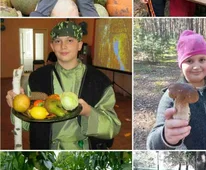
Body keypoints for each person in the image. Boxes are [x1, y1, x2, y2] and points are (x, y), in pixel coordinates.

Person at [6, 21, 121, 150]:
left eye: (70, 40)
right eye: (58, 41)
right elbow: (26, 124)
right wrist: (17, 103)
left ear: (79, 45)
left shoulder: (99, 81)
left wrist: (88, 112)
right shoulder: (37, 78)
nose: (63, 46)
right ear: (52, 46)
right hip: (45, 153)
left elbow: (112, 127)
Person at [147, 30, 206, 150]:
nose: (197, 66)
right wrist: (165, 137)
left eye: (202, 60)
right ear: (181, 64)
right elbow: (152, 144)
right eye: (189, 61)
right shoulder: (170, 95)